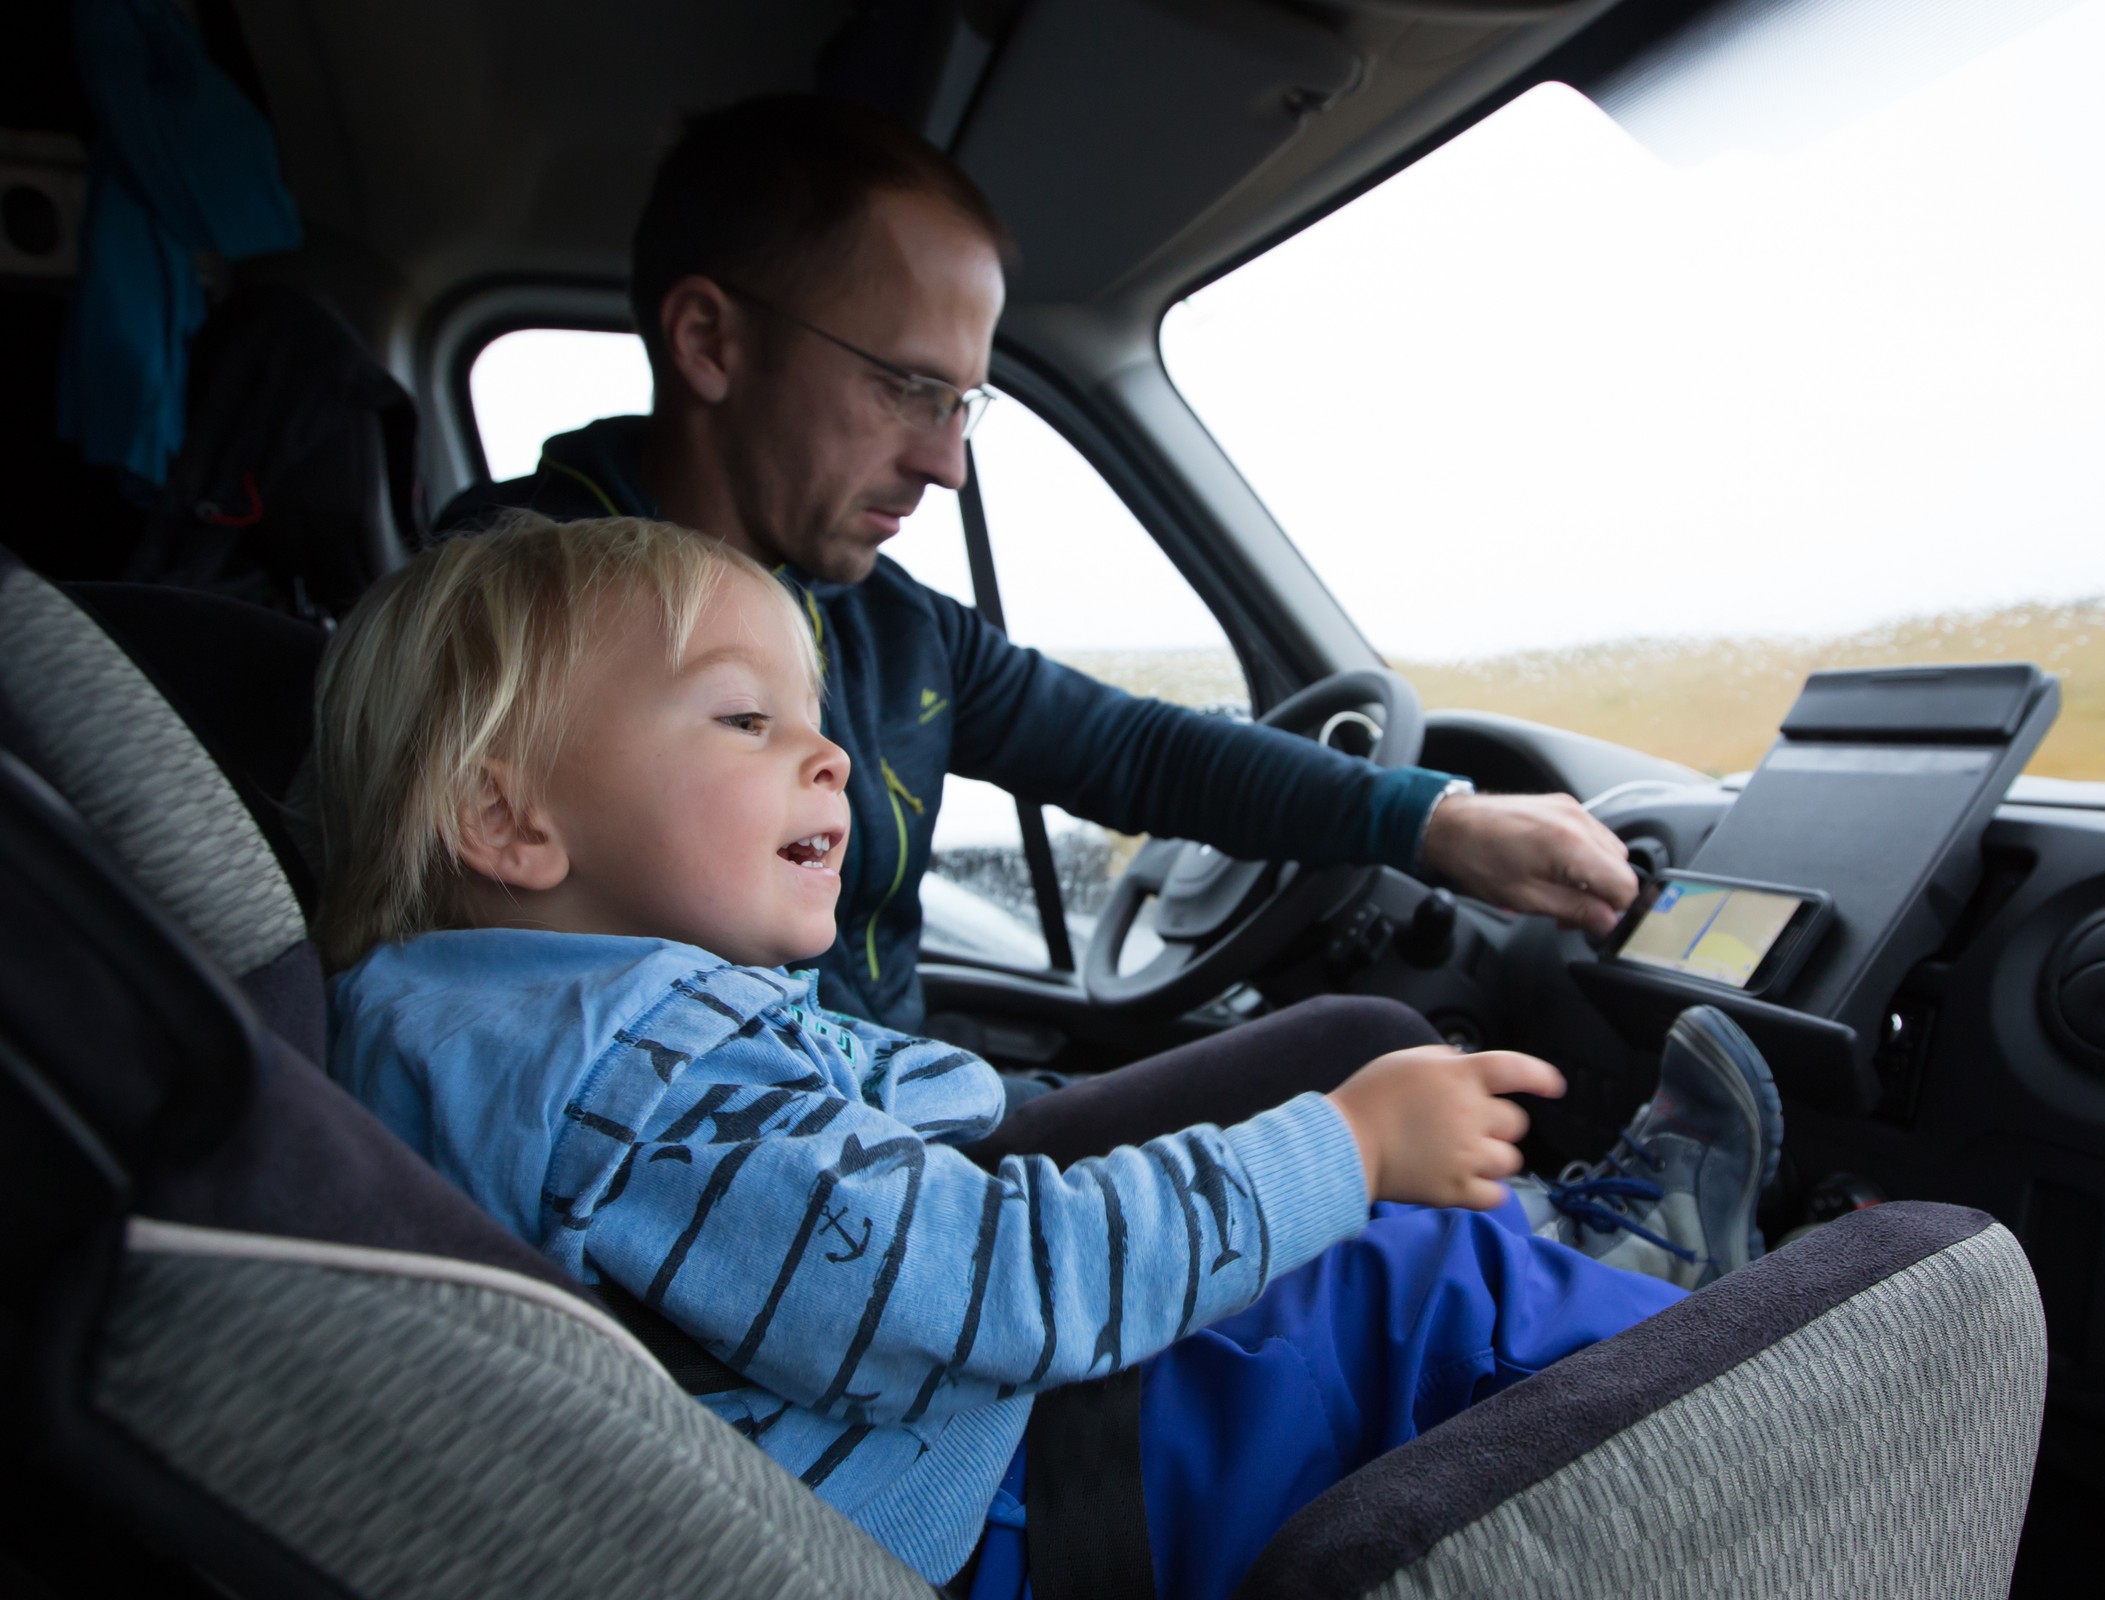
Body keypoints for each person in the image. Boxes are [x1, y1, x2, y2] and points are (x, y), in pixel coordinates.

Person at [318, 516, 1781, 1597]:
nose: (828, 760)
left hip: (920, 1439)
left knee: (1340, 1195)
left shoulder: (466, 1025)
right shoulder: (644, 1070)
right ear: (510, 824)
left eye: (819, 725)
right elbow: (991, 1285)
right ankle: (1695, 1357)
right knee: (1402, 1275)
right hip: (1005, 1503)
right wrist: (1344, 1150)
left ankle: (1576, 1272)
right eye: (750, 720)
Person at [440, 94, 1643, 1038]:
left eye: (964, 405)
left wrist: (1432, 820)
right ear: (709, 340)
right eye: (907, 387)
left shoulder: (886, 621)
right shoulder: (508, 613)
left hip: (898, 1124)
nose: (947, 466)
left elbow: (1134, 749)